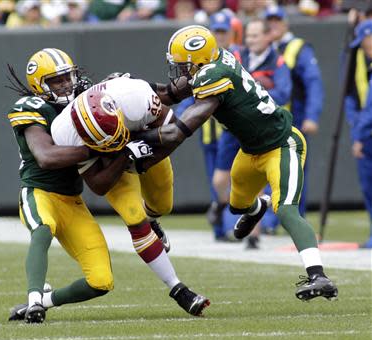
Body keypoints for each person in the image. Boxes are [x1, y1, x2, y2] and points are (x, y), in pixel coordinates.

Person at [135, 25, 338, 301]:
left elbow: (180, 130)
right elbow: (172, 92)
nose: (180, 71)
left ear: (198, 61)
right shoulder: (213, 63)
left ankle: (318, 276)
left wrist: (136, 136)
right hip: (250, 150)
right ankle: (259, 205)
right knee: (237, 205)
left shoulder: (213, 74)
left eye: (183, 65)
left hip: (281, 145)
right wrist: (133, 87)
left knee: (287, 210)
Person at [51, 76, 211, 316]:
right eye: (105, 142)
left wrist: (142, 158)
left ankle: (152, 217)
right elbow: (98, 185)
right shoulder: (64, 132)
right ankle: (178, 289)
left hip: (144, 144)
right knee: (134, 217)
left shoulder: (135, 98)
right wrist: (124, 155)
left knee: (163, 205)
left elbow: (174, 133)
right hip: (113, 164)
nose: (113, 143)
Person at [5, 48, 114, 323]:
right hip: (39, 191)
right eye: (56, 80)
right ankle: (33, 301)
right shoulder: (31, 108)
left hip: (73, 201)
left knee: (101, 281)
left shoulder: (83, 102)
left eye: (67, 76)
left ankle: (44, 300)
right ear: (40, 86)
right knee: (42, 230)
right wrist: (99, 149)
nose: (65, 83)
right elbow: (46, 157)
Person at [212, 18, 292, 248]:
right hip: (232, 129)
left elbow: (284, 92)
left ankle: (254, 235)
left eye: (256, 35)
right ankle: (219, 205)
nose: (251, 40)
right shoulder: (237, 57)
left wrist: (253, 96)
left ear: (268, 36)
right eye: (248, 36)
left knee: (255, 181)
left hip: (259, 127)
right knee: (220, 180)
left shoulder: (276, 61)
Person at [175, 11, 240, 242]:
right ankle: (219, 229)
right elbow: (187, 95)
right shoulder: (197, 61)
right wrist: (177, 119)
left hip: (231, 131)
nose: (220, 36)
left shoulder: (237, 57)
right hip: (207, 131)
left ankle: (235, 225)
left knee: (234, 177)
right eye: (217, 32)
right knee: (216, 179)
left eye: (224, 32)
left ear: (232, 34)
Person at [263, 5, 324, 234]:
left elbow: (313, 83)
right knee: (268, 170)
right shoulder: (263, 49)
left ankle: (294, 219)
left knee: (295, 172)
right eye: (269, 21)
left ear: (286, 22)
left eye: (277, 20)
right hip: (267, 122)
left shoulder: (298, 48)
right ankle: (270, 220)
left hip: (293, 120)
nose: (273, 25)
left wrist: (312, 115)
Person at [345, 19, 372, 248]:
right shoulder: (362, 65)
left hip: (367, 134)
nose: (364, 47)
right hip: (366, 133)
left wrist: (359, 136)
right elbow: (353, 100)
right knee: (368, 186)